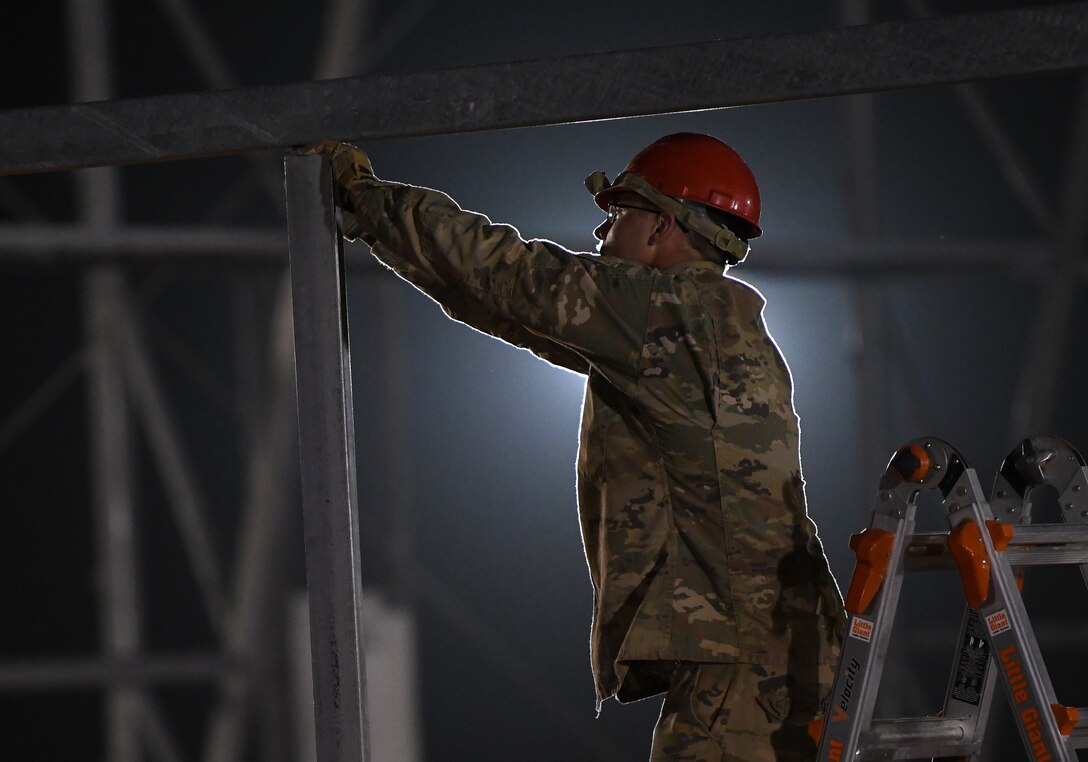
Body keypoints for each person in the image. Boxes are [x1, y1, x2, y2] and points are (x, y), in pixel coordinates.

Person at [305, 133, 845, 761]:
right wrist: (381, 231)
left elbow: (509, 273)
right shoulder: (716, 326)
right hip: (788, 648)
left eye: (618, 215)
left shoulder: (657, 311)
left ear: (661, 227)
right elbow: (505, 305)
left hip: (736, 665)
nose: (602, 233)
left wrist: (364, 194)